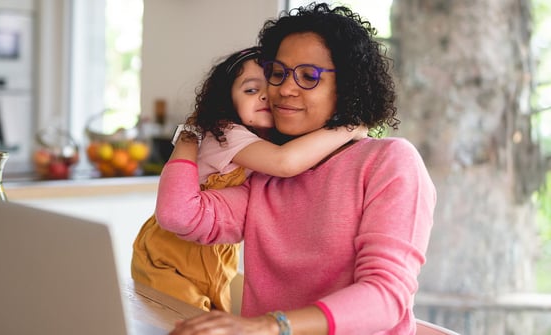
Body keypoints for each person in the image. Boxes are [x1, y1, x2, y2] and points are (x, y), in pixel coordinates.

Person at [154, 3, 436, 335]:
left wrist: (270, 326)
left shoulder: (388, 161)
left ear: (346, 87)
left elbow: (386, 298)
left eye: (307, 76)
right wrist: (192, 132)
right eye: (278, 73)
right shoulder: (264, 176)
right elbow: (181, 216)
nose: (285, 89)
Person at [131, 46, 366, 313]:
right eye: (251, 90)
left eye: (271, 86)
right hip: (169, 257)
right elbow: (285, 163)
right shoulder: (226, 133)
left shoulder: (259, 141)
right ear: (227, 101)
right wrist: (349, 127)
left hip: (214, 257)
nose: (266, 95)